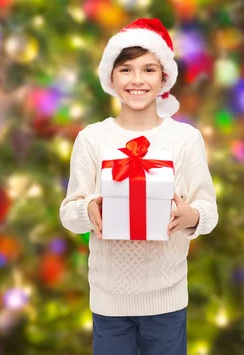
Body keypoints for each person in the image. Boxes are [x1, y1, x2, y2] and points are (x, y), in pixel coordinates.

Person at [59, 18, 218, 355]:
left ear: (164, 78)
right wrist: (88, 209)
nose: (137, 80)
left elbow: (209, 211)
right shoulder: (92, 139)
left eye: (148, 70)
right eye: (126, 69)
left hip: (167, 299)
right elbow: (69, 214)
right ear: (111, 77)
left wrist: (188, 216)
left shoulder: (185, 139)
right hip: (109, 300)